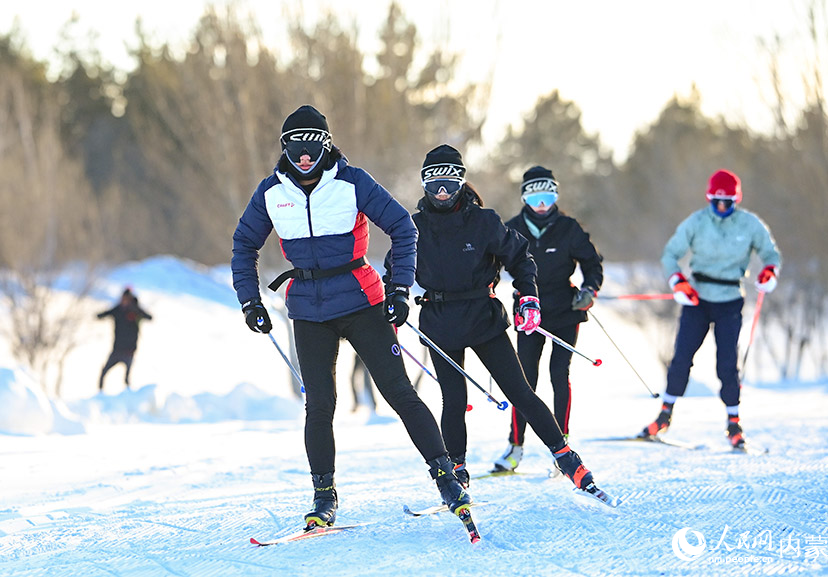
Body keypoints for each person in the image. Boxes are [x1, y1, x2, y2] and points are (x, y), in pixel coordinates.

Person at [231, 105, 470, 529]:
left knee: (399, 392)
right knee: (319, 405)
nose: (304, 155)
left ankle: (446, 477)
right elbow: (244, 244)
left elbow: (402, 228)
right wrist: (250, 300)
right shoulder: (271, 192)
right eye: (294, 146)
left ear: (325, 145)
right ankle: (324, 496)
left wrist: (398, 288)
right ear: (285, 147)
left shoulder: (352, 181)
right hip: (307, 308)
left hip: (362, 301)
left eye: (311, 145)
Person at [395, 144, 610, 500]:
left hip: (483, 317)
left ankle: (567, 458)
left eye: (450, 179)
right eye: (433, 181)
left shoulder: (484, 222)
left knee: (520, 391)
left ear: (462, 180)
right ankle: (457, 471)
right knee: (453, 398)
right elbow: (395, 268)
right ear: (423, 184)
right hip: (440, 320)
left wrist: (528, 296)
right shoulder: (413, 227)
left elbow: (521, 258)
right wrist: (396, 296)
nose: (442, 190)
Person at [640, 169, 781, 448]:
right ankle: (664, 415)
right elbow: (670, 254)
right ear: (709, 198)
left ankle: (733, 423)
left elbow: (770, 253)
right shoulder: (697, 222)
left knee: (728, 363)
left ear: (735, 200)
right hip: (697, 299)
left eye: (727, 202)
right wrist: (677, 281)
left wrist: (770, 271)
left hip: (730, 299)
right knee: (681, 357)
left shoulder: (750, 224)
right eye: (716, 201)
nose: (720, 207)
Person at [492, 166, 603, 473]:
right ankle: (516, 445)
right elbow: (491, 265)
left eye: (548, 195)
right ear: (525, 197)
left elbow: (593, 264)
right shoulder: (512, 228)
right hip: (528, 311)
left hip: (564, 310)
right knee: (524, 379)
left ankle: (562, 446)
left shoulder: (569, 227)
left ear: (555, 195)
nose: (542, 203)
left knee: (558, 372)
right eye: (535, 196)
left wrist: (590, 289)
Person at [96, 287, 152, 391]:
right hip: (117, 349)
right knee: (104, 373)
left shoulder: (135, 311)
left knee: (126, 378)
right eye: (123, 298)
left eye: (126, 299)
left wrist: (135, 309)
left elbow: (149, 317)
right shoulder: (118, 310)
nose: (124, 301)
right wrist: (99, 315)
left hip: (129, 350)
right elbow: (105, 314)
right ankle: (100, 394)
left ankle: (127, 396)